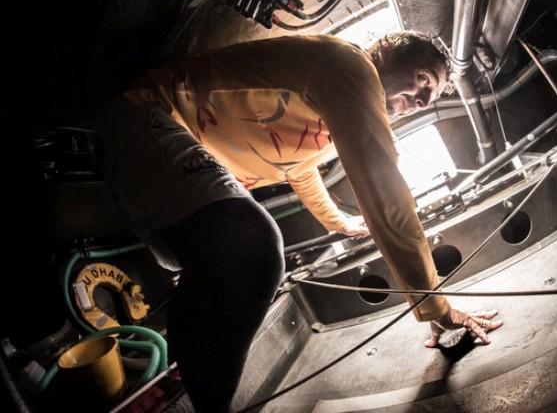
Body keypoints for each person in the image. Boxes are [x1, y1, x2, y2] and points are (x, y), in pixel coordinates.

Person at [93, 31, 502, 412]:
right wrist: (435, 306)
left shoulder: (326, 108)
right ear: (387, 51)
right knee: (252, 246)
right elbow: (387, 196)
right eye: (422, 81)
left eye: (427, 100)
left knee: (217, 269)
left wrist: (339, 222)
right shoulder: (348, 67)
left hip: (157, 160)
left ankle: (192, 377)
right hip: (147, 113)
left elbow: (300, 168)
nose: (420, 100)